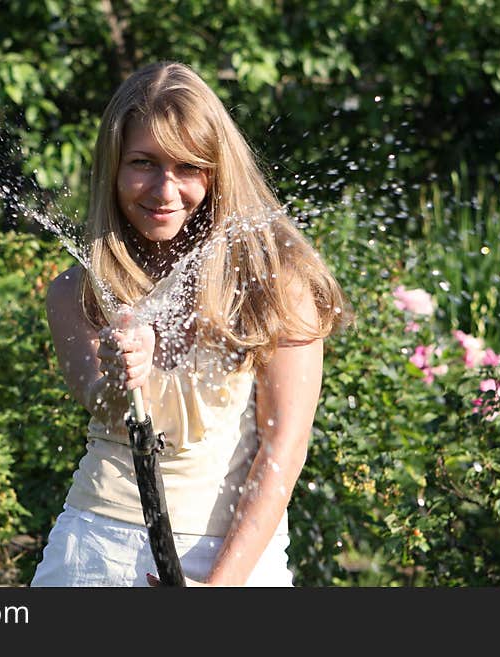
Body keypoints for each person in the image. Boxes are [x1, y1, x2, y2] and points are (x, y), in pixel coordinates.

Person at [31, 61, 349, 587]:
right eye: (142, 163)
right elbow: (104, 405)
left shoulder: (275, 281)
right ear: (111, 166)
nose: (164, 189)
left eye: (188, 167)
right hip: (96, 550)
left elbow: (284, 446)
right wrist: (118, 373)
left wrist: (221, 586)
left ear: (217, 170)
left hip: (237, 559)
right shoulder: (77, 290)